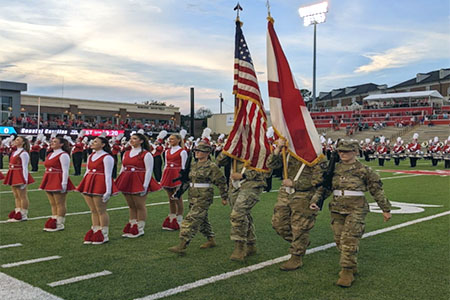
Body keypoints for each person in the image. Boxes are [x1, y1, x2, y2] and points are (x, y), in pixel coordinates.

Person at [310, 140, 392, 287]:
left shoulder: (364, 170)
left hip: (356, 209)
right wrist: (316, 200)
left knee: (349, 240)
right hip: (336, 208)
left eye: (346, 151)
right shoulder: (333, 168)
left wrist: (385, 209)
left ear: (355, 152)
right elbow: (325, 187)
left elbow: (376, 190)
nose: (343, 154)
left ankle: (347, 271)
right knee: (339, 240)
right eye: (341, 151)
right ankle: (352, 264)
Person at [267, 139, 327, 270]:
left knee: (299, 227)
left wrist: (294, 184)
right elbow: (271, 164)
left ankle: (296, 257)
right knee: (278, 224)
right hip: (285, 194)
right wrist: (278, 149)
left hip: (304, 195)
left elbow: (319, 180)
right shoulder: (288, 152)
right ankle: (301, 242)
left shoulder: (316, 157)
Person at [169, 142, 228, 254]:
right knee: (202, 220)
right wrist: (178, 193)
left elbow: (221, 182)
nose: (196, 153)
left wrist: (224, 197)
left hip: (204, 196)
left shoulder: (211, 166)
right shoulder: (193, 165)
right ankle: (211, 239)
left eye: (199, 151)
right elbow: (187, 181)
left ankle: (182, 244)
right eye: (195, 151)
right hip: (193, 195)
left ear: (207, 153)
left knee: (191, 219)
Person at [216, 151, 268, 262]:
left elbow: (266, 169)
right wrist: (229, 149)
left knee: (237, 214)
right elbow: (219, 161)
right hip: (234, 185)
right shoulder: (236, 146)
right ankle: (251, 244)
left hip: (252, 184)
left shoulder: (259, 146)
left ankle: (239, 246)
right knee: (243, 215)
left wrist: (243, 175)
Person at [115, 133, 161, 238]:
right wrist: (119, 179)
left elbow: (149, 170)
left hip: (139, 180)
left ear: (141, 141)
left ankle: (140, 228)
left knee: (139, 205)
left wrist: (145, 185)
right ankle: (132, 224)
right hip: (126, 179)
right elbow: (123, 167)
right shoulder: (126, 153)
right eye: (131, 138)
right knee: (131, 205)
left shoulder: (146, 154)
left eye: (135, 139)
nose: (132, 140)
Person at [77, 137, 118, 245]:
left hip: (100, 183)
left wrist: (108, 190)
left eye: (96, 141)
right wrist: (83, 185)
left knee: (101, 210)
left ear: (103, 144)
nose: (93, 143)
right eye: (93, 141)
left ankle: (104, 233)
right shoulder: (91, 155)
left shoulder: (107, 157)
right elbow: (87, 171)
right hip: (89, 182)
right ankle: (95, 230)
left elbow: (108, 175)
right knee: (93, 210)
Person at [39, 136, 76, 231]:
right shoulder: (50, 154)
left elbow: (65, 170)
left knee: (60, 203)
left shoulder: (63, 155)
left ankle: (59, 223)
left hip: (58, 178)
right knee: (52, 203)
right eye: (52, 141)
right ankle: (54, 219)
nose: (52, 143)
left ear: (61, 144)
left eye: (55, 142)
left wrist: (64, 183)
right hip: (49, 178)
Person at [3, 136, 35, 222]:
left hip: (19, 174)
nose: (15, 141)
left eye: (18, 140)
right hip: (13, 173)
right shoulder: (14, 152)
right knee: (16, 195)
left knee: (22, 195)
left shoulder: (24, 153)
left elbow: (25, 167)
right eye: (15, 139)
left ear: (23, 142)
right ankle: (18, 211)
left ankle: (23, 214)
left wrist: (25, 180)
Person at [160, 133, 187, 231]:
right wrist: (163, 177)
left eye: (172, 139)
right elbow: (166, 164)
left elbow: (183, 166)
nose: (170, 141)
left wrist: (182, 178)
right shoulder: (167, 151)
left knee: (177, 197)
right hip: (168, 173)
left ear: (178, 140)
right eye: (169, 139)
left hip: (177, 174)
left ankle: (179, 218)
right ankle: (172, 217)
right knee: (170, 197)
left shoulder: (182, 151)